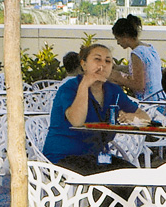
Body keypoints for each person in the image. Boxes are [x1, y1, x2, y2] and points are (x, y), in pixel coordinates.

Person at [45, 42, 140, 174]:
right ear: (84, 64)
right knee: (109, 179)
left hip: (96, 157)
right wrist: (85, 85)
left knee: (134, 174)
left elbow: (144, 117)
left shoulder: (113, 90)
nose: (102, 65)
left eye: (108, 61)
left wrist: (131, 117)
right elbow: (76, 121)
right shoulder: (70, 88)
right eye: (97, 59)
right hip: (63, 157)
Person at [114, 15, 165, 108]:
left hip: (148, 104)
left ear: (124, 35)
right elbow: (144, 70)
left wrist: (118, 77)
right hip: (161, 100)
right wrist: (119, 68)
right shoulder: (150, 48)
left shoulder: (136, 53)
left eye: (118, 38)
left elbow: (138, 85)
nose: (118, 43)